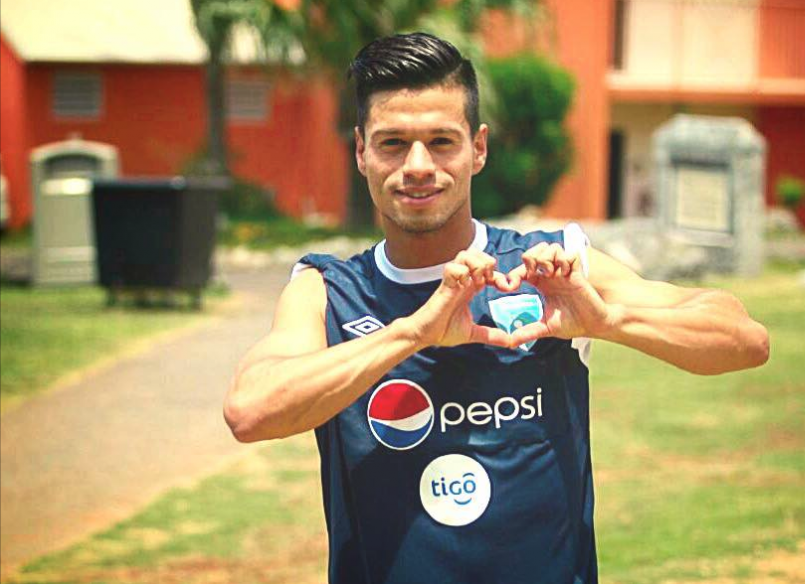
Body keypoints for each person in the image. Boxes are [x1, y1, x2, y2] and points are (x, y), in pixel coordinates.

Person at [224, 32, 769, 584]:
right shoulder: (326, 291)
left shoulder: (550, 268)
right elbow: (250, 412)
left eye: (442, 141)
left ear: (478, 149)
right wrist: (412, 333)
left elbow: (744, 339)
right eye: (393, 144)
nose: (417, 165)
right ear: (361, 150)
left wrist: (607, 321)